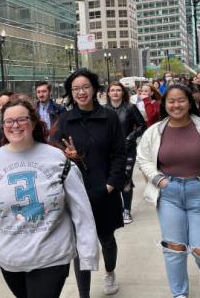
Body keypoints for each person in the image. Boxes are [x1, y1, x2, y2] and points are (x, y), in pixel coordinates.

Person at [0, 95, 99, 298]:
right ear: (2, 125)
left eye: (22, 119)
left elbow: (82, 212)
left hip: (51, 256)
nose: (15, 125)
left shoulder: (57, 160)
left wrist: (88, 253)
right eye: (9, 121)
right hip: (10, 259)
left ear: (34, 122)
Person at [136, 84, 200, 298]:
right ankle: (179, 294)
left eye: (181, 100)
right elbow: (143, 158)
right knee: (174, 249)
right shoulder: (154, 132)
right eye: (171, 101)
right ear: (165, 104)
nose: (176, 105)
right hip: (169, 194)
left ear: (189, 102)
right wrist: (158, 180)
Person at [52, 69, 127, 297]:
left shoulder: (108, 117)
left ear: (94, 89)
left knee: (106, 239)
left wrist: (112, 184)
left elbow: (119, 153)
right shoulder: (65, 120)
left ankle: (110, 271)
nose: (81, 92)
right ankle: (84, 294)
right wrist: (66, 154)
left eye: (85, 87)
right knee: (79, 246)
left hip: (104, 189)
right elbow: (54, 152)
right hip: (76, 192)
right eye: (75, 89)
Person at [106, 82, 147, 224]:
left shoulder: (130, 108)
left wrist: (130, 137)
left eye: (118, 90)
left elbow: (143, 125)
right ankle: (115, 209)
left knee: (126, 178)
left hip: (127, 149)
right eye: (113, 90)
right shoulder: (103, 109)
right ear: (108, 93)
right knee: (112, 179)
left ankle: (126, 210)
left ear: (123, 93)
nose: (115, 92)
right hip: (109, 151)